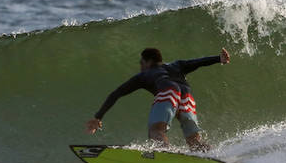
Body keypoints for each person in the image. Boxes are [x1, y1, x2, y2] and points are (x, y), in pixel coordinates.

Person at [85, 47, 230, 150]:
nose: (141, 67)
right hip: (187, 97)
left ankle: (166, 152)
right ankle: (212, 156)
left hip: (169, 92)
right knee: (194, 140)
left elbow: (117, 93)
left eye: (141, 63)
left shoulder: (145, 74)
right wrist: (218, 59)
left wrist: (98, 117)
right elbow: (198, 62)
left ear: (148, 62)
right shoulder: (177, 65)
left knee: (156, 131)